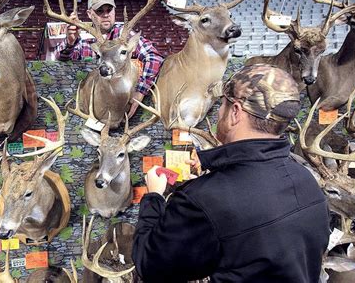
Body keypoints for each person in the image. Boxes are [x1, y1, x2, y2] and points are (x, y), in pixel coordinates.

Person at [132, 64, 330, 283]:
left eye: (222, 103)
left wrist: (154, 197)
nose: (219, 112)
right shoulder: (307, 181)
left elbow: (152, 266)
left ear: (235, 112)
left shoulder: (202, 200)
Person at [55, 0, 165, 118]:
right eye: (100, 11)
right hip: (91, 112)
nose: (106, 15)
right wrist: (70, 42)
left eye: (109, 10)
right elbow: (60, 58)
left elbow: (153, 56)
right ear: (90, 14)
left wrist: (140, 91)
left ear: (114, 11)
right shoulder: (84, 42)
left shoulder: (124, 36)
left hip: (122, 112)